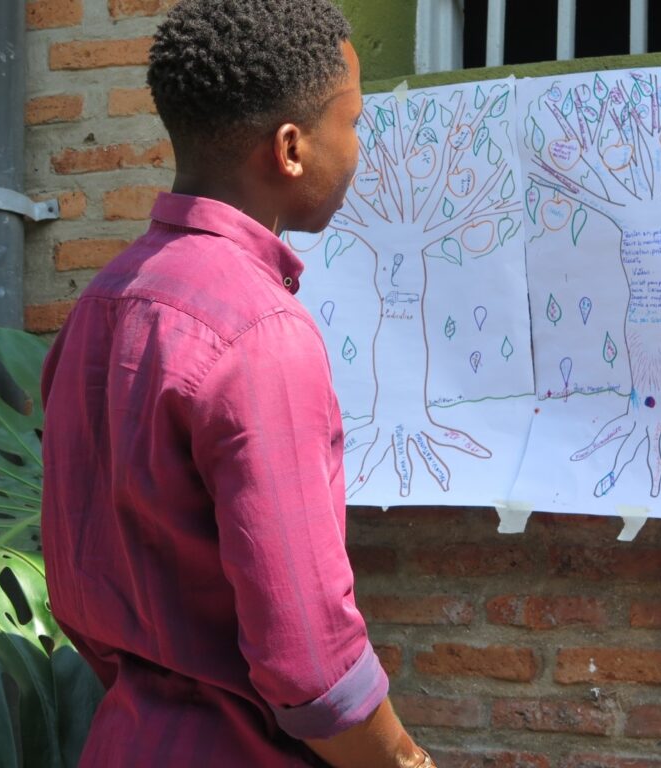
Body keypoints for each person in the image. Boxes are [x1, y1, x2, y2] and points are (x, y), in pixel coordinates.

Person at [40, 1, 434, 765]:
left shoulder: (98, 305)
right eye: (351, 124)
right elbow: (311, 663)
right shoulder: (260, 336)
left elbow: (79, 579)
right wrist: (405, 760)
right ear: (290, 148)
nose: (358, 150)